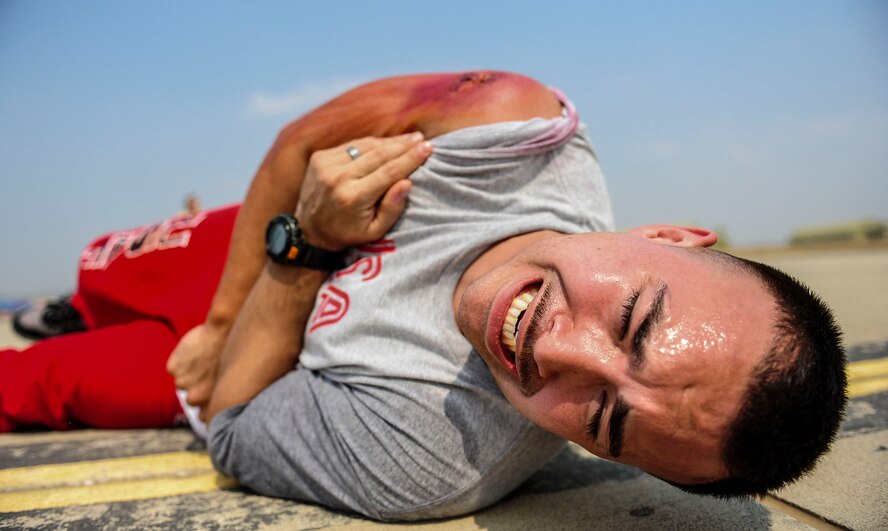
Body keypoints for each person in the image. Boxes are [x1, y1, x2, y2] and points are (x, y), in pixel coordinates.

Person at [3, 72, 845, 522]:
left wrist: (304, 254)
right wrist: (228, 307)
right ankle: (80, 302)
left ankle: (75, 327)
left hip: (262, 318)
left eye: (602, 418)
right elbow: (302, 141)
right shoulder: (513, 134)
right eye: (633, 320)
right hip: (239, 261)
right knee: (99, 270)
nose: (557, 351)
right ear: (666, 236)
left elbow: (231, 418)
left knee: (26, 387)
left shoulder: (430, 460)